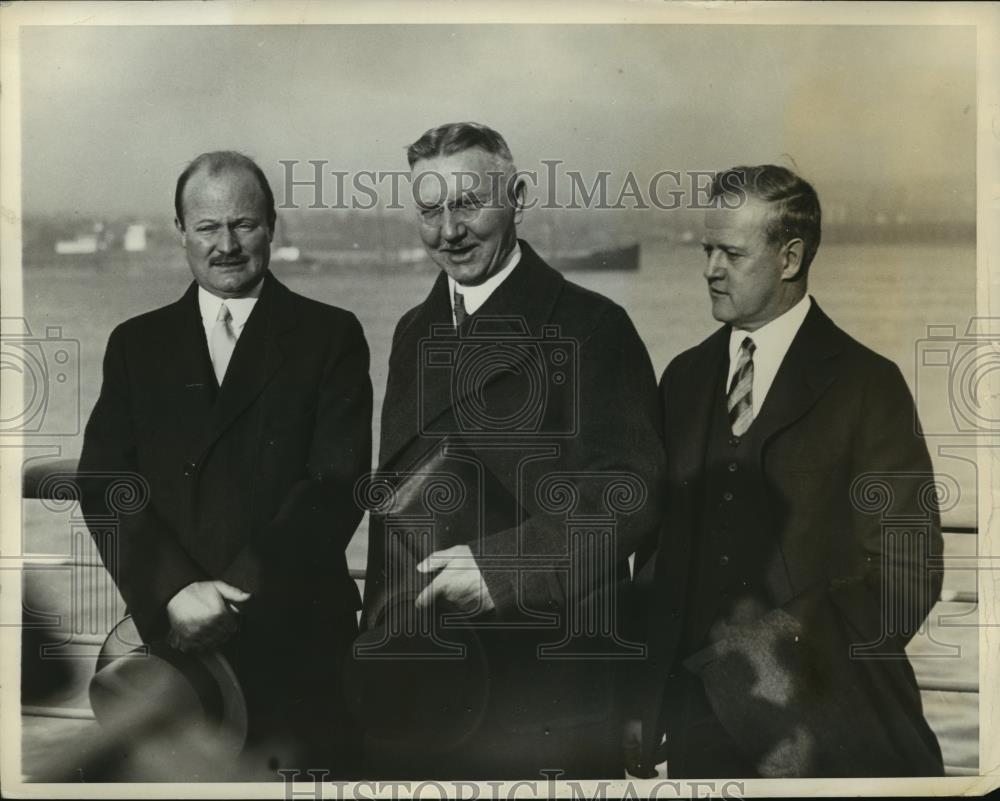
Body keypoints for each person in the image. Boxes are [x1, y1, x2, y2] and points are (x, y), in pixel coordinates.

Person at [356, 122, 665, 779]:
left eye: (469, 204)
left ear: (517, 196)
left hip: (545, 695)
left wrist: (501, 565)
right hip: (425, 693)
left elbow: (630, 492)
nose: (449, 231)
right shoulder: (415, 331)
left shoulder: (592, 327)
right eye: (431, 210)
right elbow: (394, 517)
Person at [628, 164, 944, 778]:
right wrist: (643, 702)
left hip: (825, 730)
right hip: (697, 732)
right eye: (707, 249)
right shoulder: (683, 379)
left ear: (790, 258)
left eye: (731, 253)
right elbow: (658, 563)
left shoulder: (867, 385)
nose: (709, 269)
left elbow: (909, 572)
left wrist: (776, 663)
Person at [78, 151, 372, 778]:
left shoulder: (331, 335)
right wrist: (174, 592)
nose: (227, 244)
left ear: (272, 226)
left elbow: (336, 485)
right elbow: (105, 483)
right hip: (176, 648)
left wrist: (231, 594)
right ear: (181, 231)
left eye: (244, 224)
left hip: (298, 644)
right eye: (208, 227)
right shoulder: (135, 344)